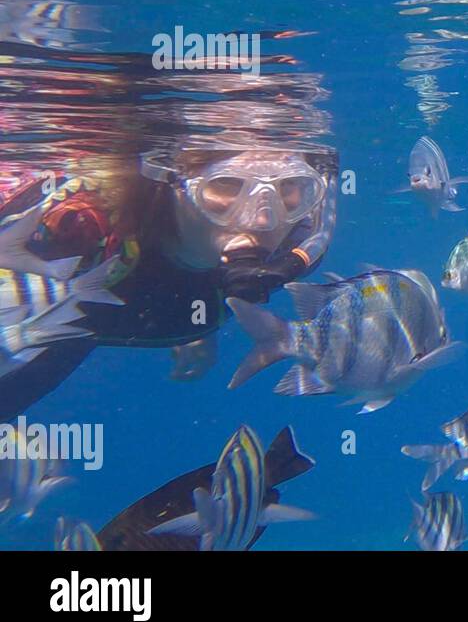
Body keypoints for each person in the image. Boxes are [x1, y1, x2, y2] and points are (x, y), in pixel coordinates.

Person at [0, 141, 338, 419]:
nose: (263, 220)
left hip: (80, 326)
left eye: (290, 188)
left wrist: (196, 307)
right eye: (226, 185)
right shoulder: (79, 228)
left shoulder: (291, 248)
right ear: (170, 181)